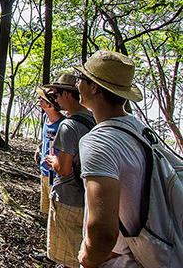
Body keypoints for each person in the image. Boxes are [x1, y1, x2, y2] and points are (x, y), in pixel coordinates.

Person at [74, 50, 146, 268]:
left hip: (120, 261)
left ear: (94, 87)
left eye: (81, 79)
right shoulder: (141, 130)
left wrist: (87, 258)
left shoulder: (99, 142)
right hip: (149, 254)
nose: (77, 84)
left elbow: (103, 233)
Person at [44, 73, 95, 268]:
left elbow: (64, 169)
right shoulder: (93, 120)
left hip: (68, 198)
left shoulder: (68, 126)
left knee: (67, 257)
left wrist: (53, 160)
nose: (55, 100)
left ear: (67, 94)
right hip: (86, 198)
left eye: (56, 94)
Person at [29, 84, 65, 265]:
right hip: (44, 173)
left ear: (51, 104)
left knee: (56, 214)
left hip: (56, 177)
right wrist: (38, 149)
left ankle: (56, 255)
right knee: (47, 213)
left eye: (42, 99)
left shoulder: (63, 126)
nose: (39, 101)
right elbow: (44, 140)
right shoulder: (46, 119)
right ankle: (50, 250)